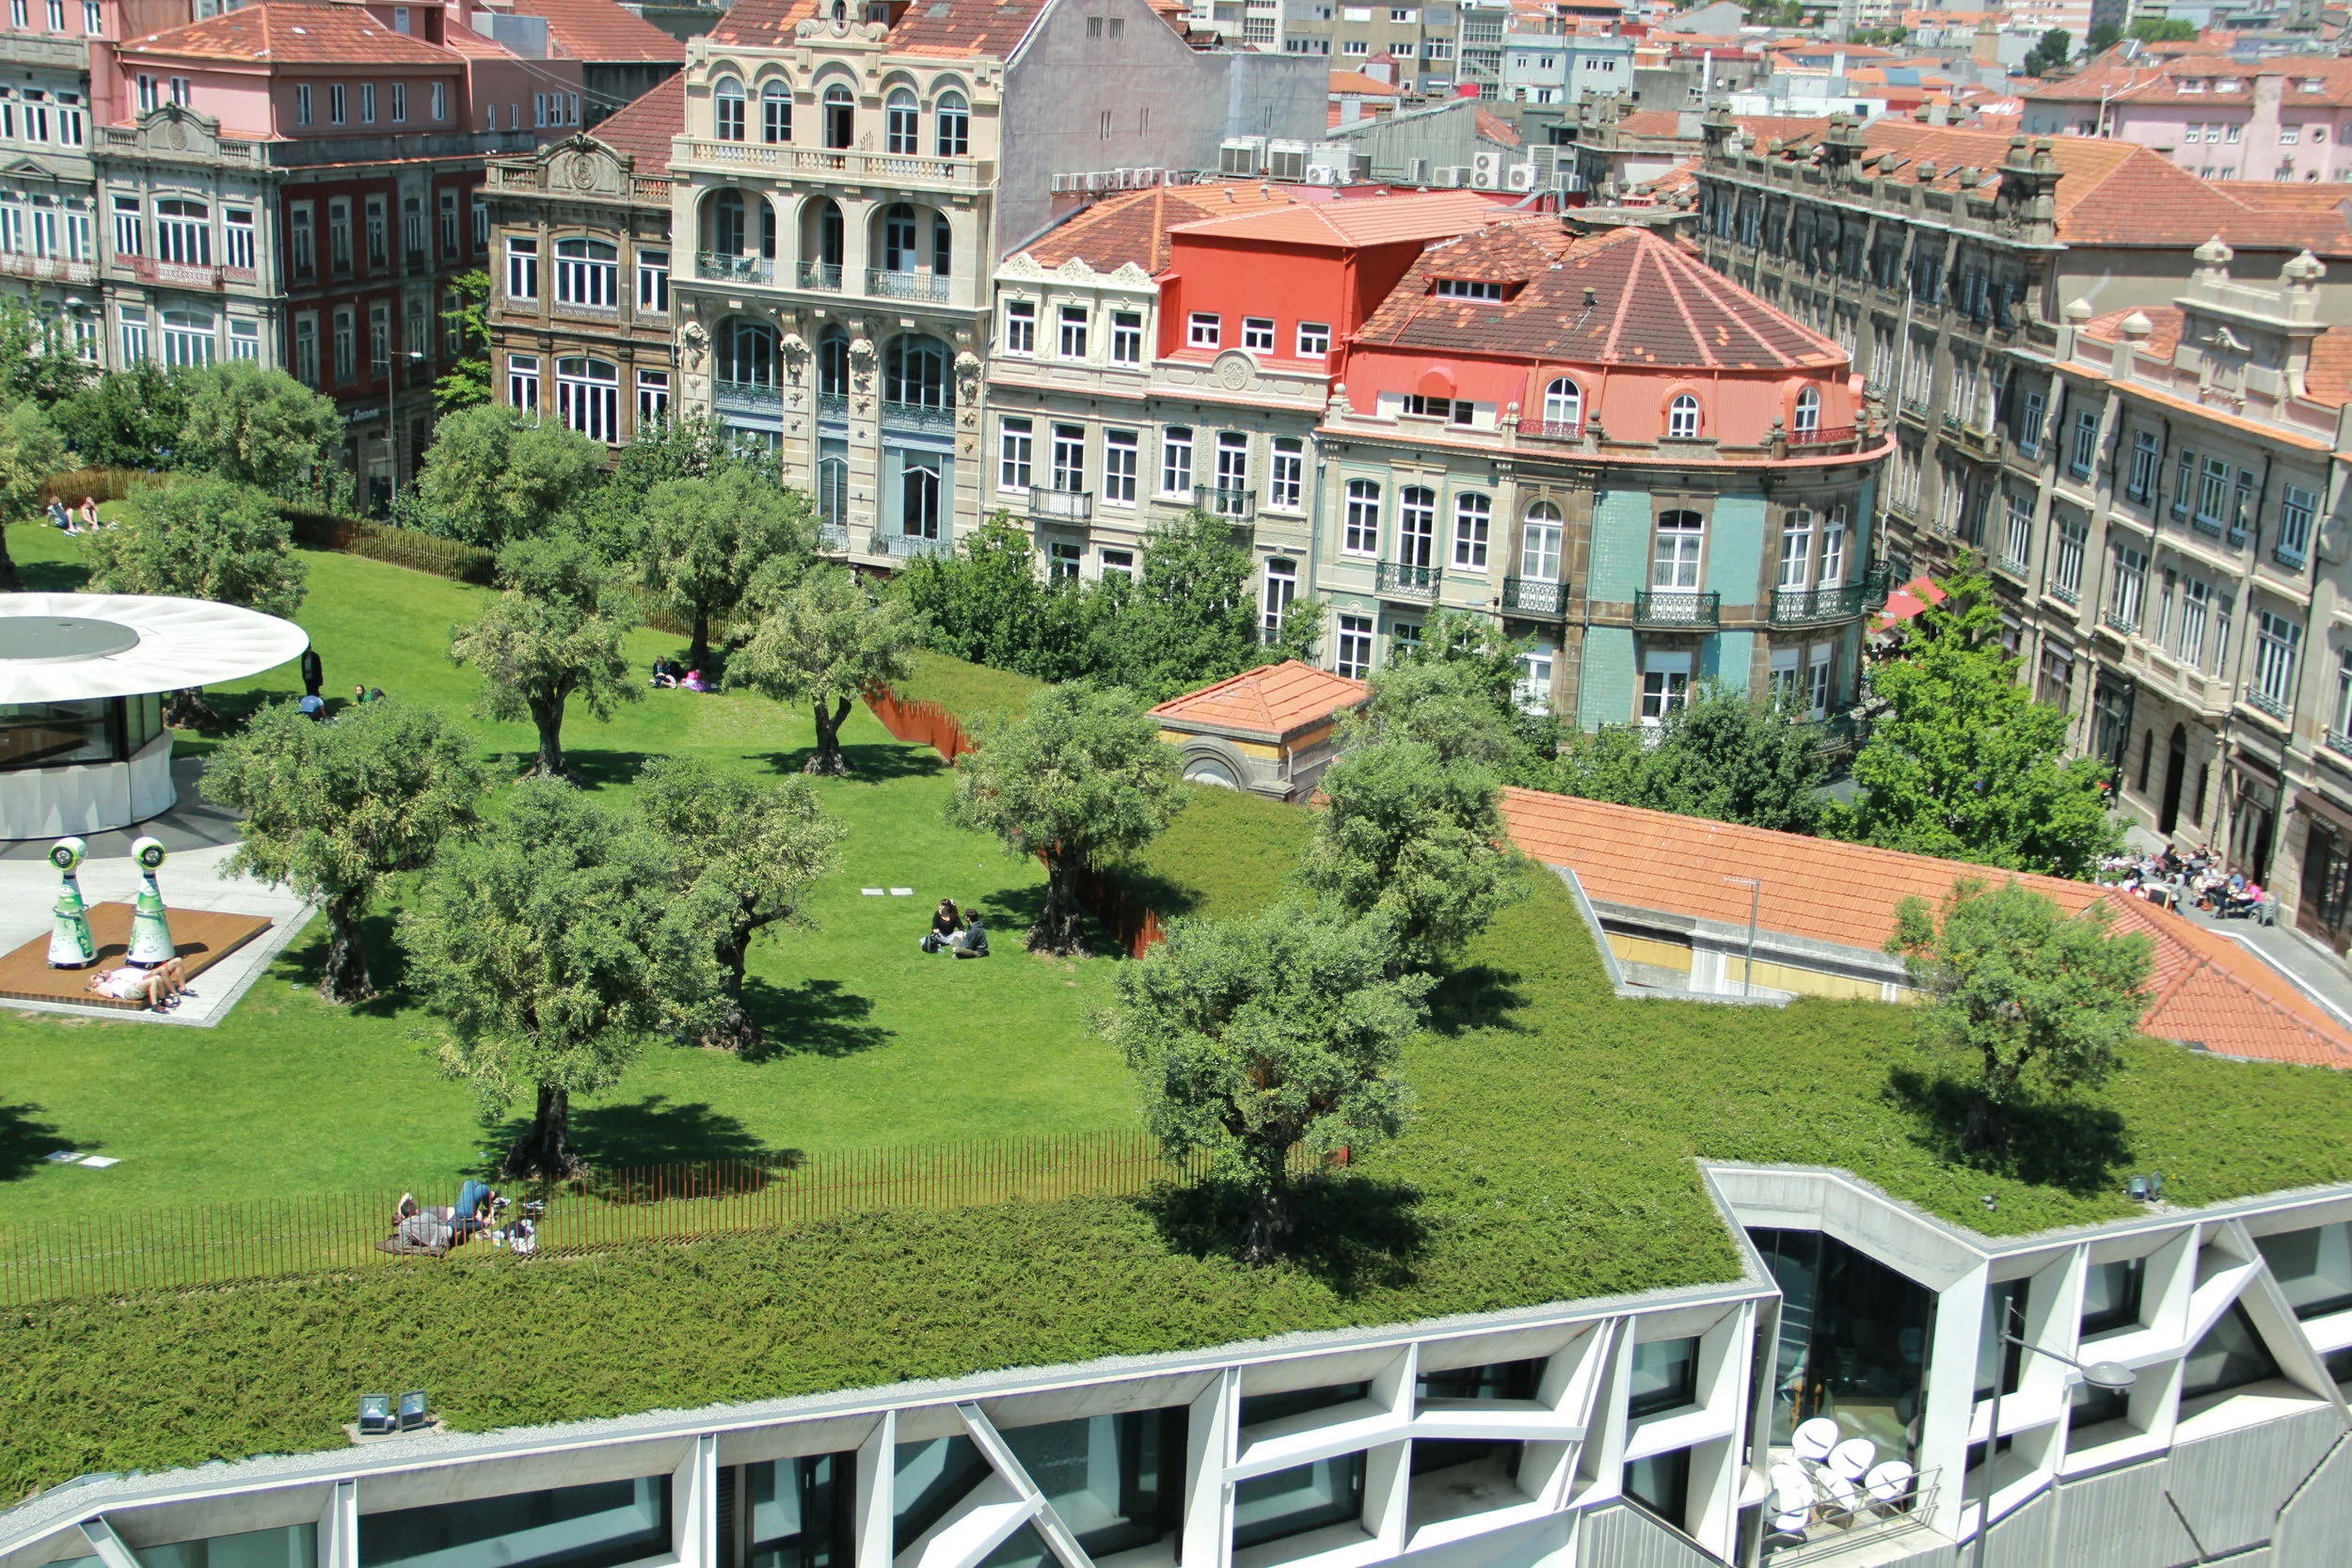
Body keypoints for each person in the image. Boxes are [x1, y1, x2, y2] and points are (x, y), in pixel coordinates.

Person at [86, 957, 188, 1011]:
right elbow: (109, 995)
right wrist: (107, 983)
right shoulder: (101, 986)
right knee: (156, 977)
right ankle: (157, 1004)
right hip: (130, 991)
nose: (99, 974)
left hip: (134, 986)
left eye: (99, 973)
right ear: (94, 984)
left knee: (159, 976)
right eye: (95, 977)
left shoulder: (115, 975)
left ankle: (163, 1000)